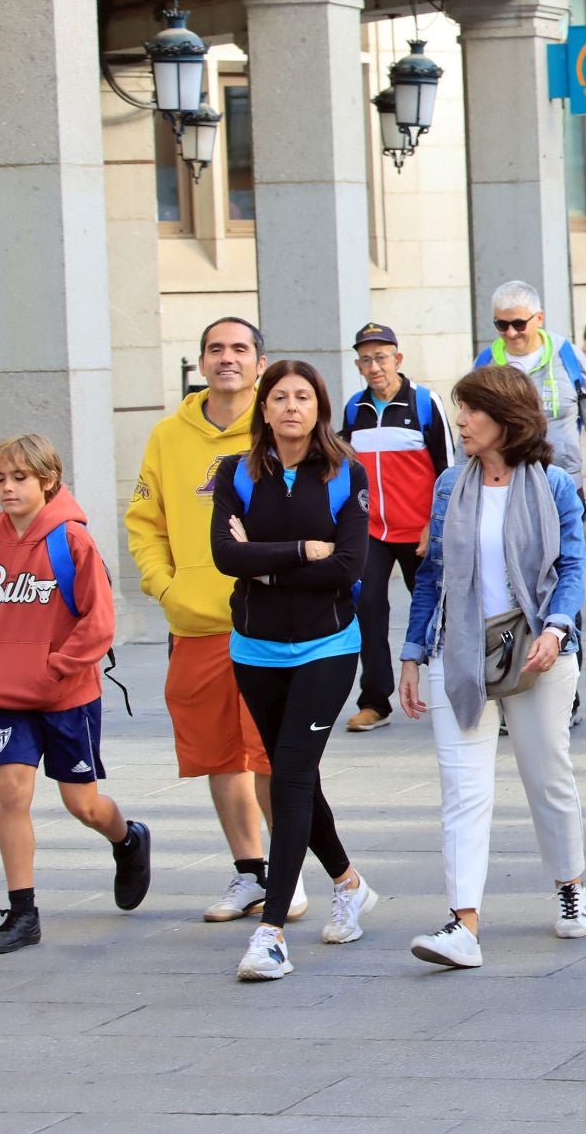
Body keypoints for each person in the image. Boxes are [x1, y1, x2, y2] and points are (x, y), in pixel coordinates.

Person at [399, 366, 586, 971]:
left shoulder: (555, 484)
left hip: (536, 649)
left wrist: (558, 627)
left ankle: (569, 883)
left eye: (471, 410)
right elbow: (431, 576)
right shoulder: (451, 484)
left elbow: (572, 564)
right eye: (460, 410)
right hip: (457, 652)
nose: (460, 421)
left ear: (506, 418)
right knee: (463, 791)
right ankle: (463, 923)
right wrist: (410, 654)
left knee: (547, 777)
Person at [127, 317, 306, 924]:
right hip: (196, 622)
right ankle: (249, 872)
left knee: (270, 755)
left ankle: (290, 871)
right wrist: (165, 587)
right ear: (201, 362)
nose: (226, 358)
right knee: (221, 755)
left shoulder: (284, 424)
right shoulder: (166, 436)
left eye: (239, 349)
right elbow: (144, 524)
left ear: (260, 362)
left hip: (270, 622)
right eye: (215, 349)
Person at [210, 360, 375, 981]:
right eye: (279, 397)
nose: (291, 407)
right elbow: (225, 555)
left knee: (290, 778)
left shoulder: (344, 472)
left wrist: (265, 562)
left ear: (320, 407)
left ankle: (271, 933)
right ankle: (349, 882)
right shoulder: (237, 472)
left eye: (303, 397)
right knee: (293, 775)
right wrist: (305, 551)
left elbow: (351, 565)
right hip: (254, 647)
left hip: (327, 646)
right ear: (265, 407)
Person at [0, 434, 149, 955]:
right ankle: (23, 913)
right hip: (8, 694)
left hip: (67, 696)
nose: (7, 488)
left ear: (48, 480)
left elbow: (99, 621)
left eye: (19, 478)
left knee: (81, 804)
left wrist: (57, 669)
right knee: (12, 792)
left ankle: (127, 838)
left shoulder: (73, 542)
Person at [337, 323, 452, 732]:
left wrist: (433, 527)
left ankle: (451, 690)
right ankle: (375, 702)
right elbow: (346, 467)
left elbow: (448, 470)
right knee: (367, 609)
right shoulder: (354, 409)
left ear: (397, 359)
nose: (374, 366)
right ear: (357, 364)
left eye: (381, 357)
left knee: (441, 610)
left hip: (419, 530)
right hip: (373, 532)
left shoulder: (424, 403)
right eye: (366, 359)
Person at [478, 280, 586, 482]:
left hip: (563, 485)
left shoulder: (569, 357)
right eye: (502, 325)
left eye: (519, 324)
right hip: (504, 486)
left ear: (539, 318)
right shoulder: (485, 365)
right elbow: (470, 430)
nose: (511, 333)